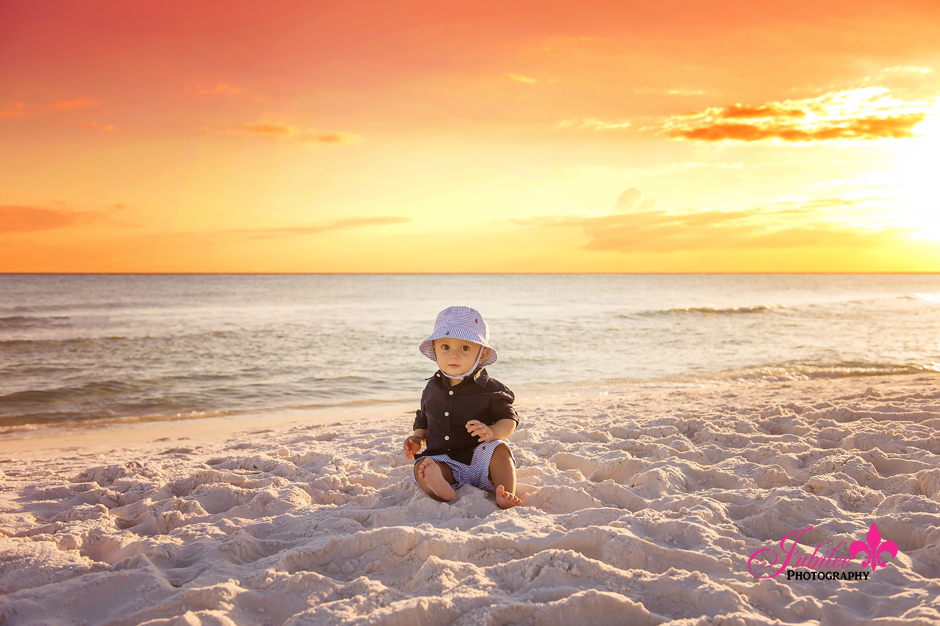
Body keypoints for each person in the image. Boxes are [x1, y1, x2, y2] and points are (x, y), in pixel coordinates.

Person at [403, 306, 523, 509]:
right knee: (422, 468)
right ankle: (442, 489)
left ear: (482, 354)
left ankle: (504, 492)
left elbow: (509, 419)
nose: (453, 356)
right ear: (434, 349)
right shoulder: (431, 387)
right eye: (445, 347)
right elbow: (424, 417)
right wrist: (417, 438)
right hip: (443, 460)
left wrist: (493, 431)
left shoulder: (490, 388)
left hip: (478, 456)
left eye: (464, 348)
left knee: (501, 451)